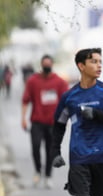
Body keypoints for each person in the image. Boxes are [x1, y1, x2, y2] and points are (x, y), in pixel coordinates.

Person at [50, 48, 103, 196]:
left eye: (100, 62)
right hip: (79, 155)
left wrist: (97, 114)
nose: (99, 66)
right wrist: (55, 152)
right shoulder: (69, 97)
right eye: (94, 62)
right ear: (81, 66)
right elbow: (59, 125)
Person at [21, 54, 69, 189]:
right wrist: (23, 118)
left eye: (49, 64)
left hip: (53, 123)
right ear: (41, 65)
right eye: (45, 64)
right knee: (35, 147)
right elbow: (25, 100)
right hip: (37, 121)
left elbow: (67, 102)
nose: (47, 66)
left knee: (50, 151)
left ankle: (48, 176)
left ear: (52, 65)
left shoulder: (59, 82)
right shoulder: (33, 81)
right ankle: (37, 171)